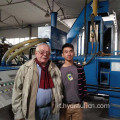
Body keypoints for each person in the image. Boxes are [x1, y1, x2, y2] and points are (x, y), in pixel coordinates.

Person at [12, 43, 63, 120]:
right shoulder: (25, 69)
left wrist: (59, 102)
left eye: (48, 53)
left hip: (51, 110)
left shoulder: (55, 69)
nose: (45, 54)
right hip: (32, 111)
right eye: (42, 52)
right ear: (36, 53)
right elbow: (17, 91)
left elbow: (60, 88)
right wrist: (19, 114)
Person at [60, 43, 89, 120]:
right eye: (66, 52)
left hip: (77, 105)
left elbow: (84, 84)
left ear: (74, 53)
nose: (69, 54)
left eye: (71, 51)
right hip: (64, 105)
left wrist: (85, 99)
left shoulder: (79, 68)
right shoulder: (58, 69)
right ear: (62, 55)